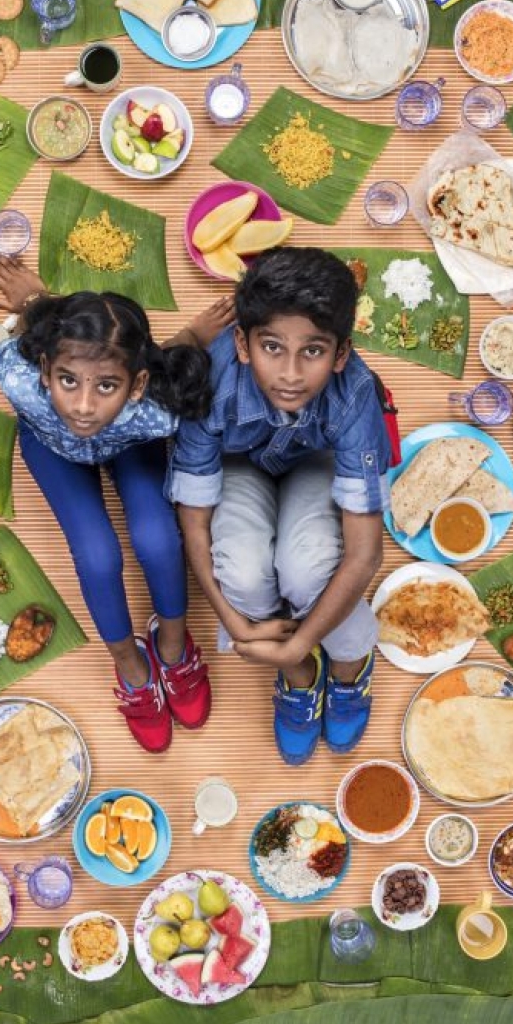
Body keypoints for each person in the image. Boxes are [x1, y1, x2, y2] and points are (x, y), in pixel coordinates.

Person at [0, 252, 232, 754]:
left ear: (135, 385)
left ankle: (172, 643)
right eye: (67, 380)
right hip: (51, 447)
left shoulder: (157, 410)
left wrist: (193, 337)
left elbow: (162, 362)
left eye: (107, 386)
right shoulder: (16, 377)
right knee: (97, 555)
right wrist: (34, 301)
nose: (82, 405)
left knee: (159, 537)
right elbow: (39, 339)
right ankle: (129, 662)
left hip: (129, 443)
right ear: (45, 369)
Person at [169, 247, 391, 766]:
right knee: (243, 573)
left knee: (310, 564)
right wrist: (232, 620)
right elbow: (194, 518)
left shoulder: (354, 393)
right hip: (239, 463)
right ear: (243, 344)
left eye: (312, 351)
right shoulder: (211, 379)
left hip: (315, 462)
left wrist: (302, 639)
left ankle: (346, 666)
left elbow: (365, 555)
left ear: (339, 354)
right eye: (273, 347)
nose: (290, 373)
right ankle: (298, 676)